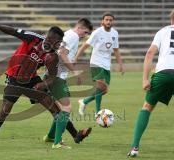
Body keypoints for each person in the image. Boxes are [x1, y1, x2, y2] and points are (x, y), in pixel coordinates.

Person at [0, 18, 90, 148]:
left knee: (54, 108)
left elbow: (51, 76)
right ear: (51, 39)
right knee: (5, 110)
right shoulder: (33, 38)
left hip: (32, 80)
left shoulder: (52, 55)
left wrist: (43, 85)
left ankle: (75, 135)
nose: (59, 45)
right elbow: (13, 31)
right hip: (14, 79)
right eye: (59, 43)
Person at [127, 10, 174, 157]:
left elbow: (149, 54)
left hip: (163, 74)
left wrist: (145, 79)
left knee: (147, 107)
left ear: (171, 19)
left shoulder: (163, 31)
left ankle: (134, 148)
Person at [43, 18, 93, 149]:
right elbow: (63, 55)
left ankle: (50, 136)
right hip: (56, 77)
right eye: (86, 32)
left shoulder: (68, 34)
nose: (85, 35)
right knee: (66, 108)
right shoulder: (74, 37)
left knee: (60, 109)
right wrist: (75, 72)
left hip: (56, 76)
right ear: (80, 28)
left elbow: (60, 52)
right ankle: (57, 142)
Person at [74, 12, 124, 116]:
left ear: (113, 21)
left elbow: (116, 50)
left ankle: (84, 101)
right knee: (101, 86)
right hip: (96, 62)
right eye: (106, 20)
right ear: (102, 21)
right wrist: (76, 57)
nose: (108, 22)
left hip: (106, 64)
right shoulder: (97, 32)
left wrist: (121, 64)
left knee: (104, 90)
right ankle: (98, 112)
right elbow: (85, 45)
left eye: (110, 20)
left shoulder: (115, 33)